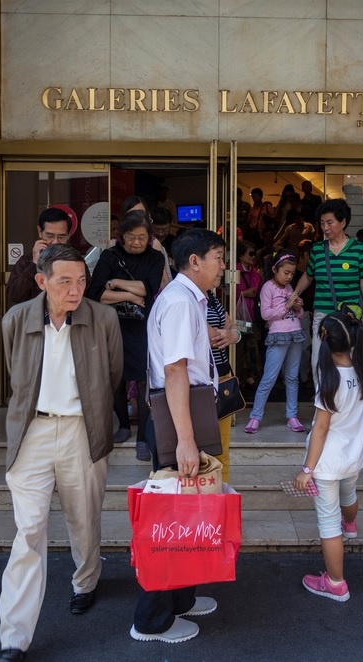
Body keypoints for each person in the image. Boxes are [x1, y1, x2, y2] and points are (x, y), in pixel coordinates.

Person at [0, 244, 122, 662]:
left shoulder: (102, 318)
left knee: (83, 516)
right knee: (28, 531)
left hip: (81, 430)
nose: (75, 289)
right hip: (32, 433)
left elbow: (113, 375)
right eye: (65, 280)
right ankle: (14, 637)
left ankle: (86, 581)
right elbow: (16, 375)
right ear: (42, 281)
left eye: (81, 280)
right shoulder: (16, 319)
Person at [131, 228, 224, 645]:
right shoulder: (181, 303)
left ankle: (180, 597)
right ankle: (152, 620)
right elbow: (175, 371)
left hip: (183, 416)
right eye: (218, 257)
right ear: (195, 262)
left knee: (186, 511)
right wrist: (186, 441)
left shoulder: (185, 299)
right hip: (175, 421)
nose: (224, 266)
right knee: (169, 519)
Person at [292, 311, 363, 602]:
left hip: (327, 464)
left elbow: (321, 428)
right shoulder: (361, 371)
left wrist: (306, 469)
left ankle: (335, 583)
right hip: (352, 458)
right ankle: (350, 526)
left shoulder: (330, 380)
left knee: (328, 523)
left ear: (322, 341)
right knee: (348, 498)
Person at [85, 210, 165, 460]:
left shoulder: (155, 257)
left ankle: (142, 436)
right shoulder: (110, 255)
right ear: (121, 237)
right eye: (132, 237)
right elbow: (96, 293)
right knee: (115, 379)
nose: (137, 242)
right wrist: (129, 295)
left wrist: (116, 283)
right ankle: (122, 425)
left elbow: (148, 288)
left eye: (142, 237)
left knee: (143, 381)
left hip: (142, 327)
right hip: (113, 325)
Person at [291, 198, 363, 376]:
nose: (325, 228)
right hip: (322, 314)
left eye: (330, 222)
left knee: (349, 362)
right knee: (318, 363)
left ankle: (346, 402)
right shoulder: (317, 250)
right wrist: (294, 294)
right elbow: (308, 276)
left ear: (343, 222)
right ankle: (323, 402)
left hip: (349, 316)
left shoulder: (358, 249)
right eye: (322, 223)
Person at [244, 252, 307, 434]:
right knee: (269, 378)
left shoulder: (289, 288)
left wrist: (298, 307)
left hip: (294, 334)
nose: (289, 276)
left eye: (292, 273)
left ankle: (292, 416)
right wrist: (287, 306)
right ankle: (255, 417)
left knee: (292, 378)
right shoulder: (267, 288)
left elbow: (299, 315)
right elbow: (266, 314)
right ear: (274, 269)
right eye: (286, 272)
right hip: (278, 335)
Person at [7, 206, 77, 305]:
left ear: (68, 236)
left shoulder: (75, 262)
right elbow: (14, 295)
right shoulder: (27, 261)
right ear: (40, 232)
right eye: (49, 236)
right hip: (34, 317)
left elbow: (87, 295)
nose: (55, 242)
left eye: (61, 237)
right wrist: (34, 264)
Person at [205, 289, 240, 483]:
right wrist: (228, 333)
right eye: (217, 258)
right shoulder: (188, 297)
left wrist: (234, 335)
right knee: (203, 449)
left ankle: (222, 498)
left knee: (222, 448)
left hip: (223, 376)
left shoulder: (212, 297)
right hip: (201, 382)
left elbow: (233, 329)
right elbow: (212, 336)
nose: (221, 267)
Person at [235, 242, 263, 386]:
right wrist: (243, 293)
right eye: (250, 253)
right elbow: (225, 293)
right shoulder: (234, 272)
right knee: (238, 349)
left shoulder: (256, 274)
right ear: (241, 256)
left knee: (252, 347)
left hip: (251, 316)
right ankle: (238, 378)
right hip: (238, 316)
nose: (254, 256)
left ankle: (252, 377)